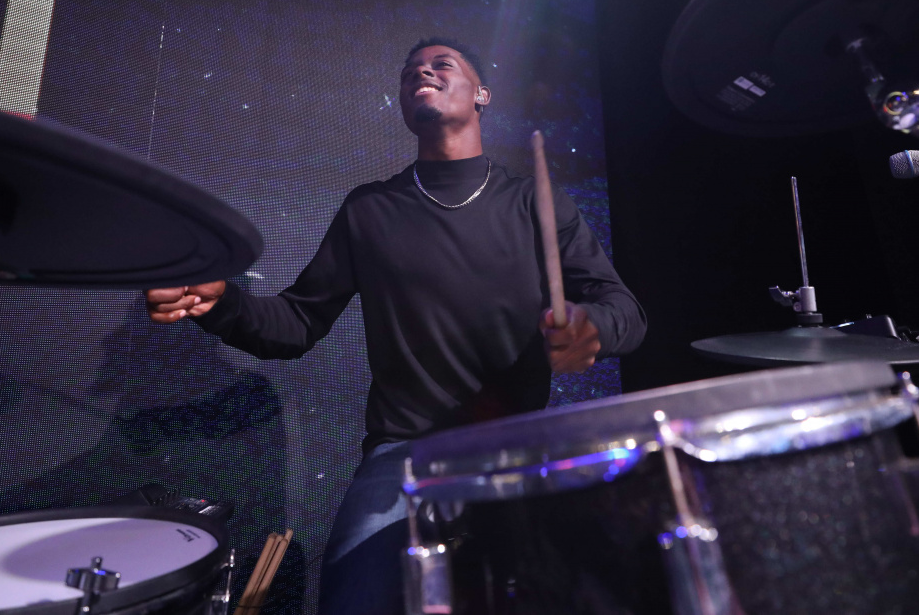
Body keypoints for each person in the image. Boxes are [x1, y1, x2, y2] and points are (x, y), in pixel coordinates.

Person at [145, 38, 646, 614]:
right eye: (411, 71)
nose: (422, 73)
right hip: (402, 451)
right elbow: (297, 322)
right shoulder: (370, 209)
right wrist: (220, 304)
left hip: (518, 444)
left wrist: (591, 329)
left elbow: (625, 310)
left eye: (441, 65)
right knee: (353, 599)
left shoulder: (534, 199)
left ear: (482, 94)